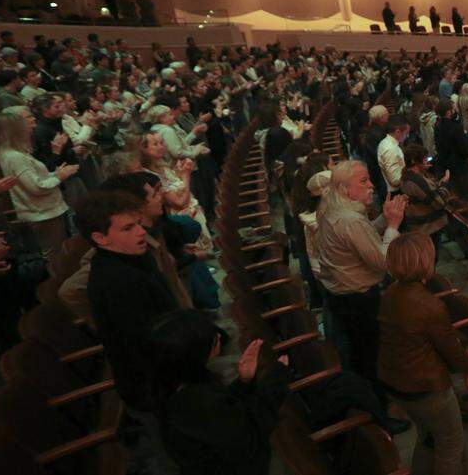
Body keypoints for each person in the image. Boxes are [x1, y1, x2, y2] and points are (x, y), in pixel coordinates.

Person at [379, 233, 468, 475]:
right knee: (450, 444)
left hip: (394, 383)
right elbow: (451, 347)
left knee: (427, 437)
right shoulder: (429, 306)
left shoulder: (390, 292)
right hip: (425, 388)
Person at [146, 311, 290, 475]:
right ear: (192, 353)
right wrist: (277, 378)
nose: (218, 336)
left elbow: (227, 412)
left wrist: (243, 383)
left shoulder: (174, 383)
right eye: (211, 338)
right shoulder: (195, 403)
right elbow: (251, 432)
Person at [315, 161, 408, 396]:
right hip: (358, 301)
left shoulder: (336, 209)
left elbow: (362, 237)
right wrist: (393, 225)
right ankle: (378, 405)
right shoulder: (350, 219)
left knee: (360, 354)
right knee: (369, 357)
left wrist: (384, 219)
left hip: (342, 297)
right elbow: (384, 261)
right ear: (346, 189)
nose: (371, 186)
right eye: (363, 181)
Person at [82, 190, 180, 410]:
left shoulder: (134, 257)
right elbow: (143, 347)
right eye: (128, 228)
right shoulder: (118, 281)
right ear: (100, 238)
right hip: (157, 386)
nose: (141, 231)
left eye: (138, 223)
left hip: (166, 369)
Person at [0, 110, 77, 259]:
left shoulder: (11, 153)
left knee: (57, 252)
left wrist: (54, 174)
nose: (30, 128)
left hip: (42, 212)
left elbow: (34, 179)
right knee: (55, 256)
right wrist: (59, 177)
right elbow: (37, 187)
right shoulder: (15, 156)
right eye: (24, 124)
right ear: (16, 131)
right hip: (41, 214)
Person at [399, 143, 449, 240]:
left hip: (421, 226)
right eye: (425, 159)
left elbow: (428, 193)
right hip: (428, 227)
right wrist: (444, 184)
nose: (427, 161)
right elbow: (439, 202)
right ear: (415, 161)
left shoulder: (407, 175)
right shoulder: (416, 180)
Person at [377, 114, 409, 197]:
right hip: (395, 193)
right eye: (406, 133)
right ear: (398, 132)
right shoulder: (390, 149)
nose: (407, 136)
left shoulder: (387, 142)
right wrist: (412, 170)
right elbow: (395, 180)